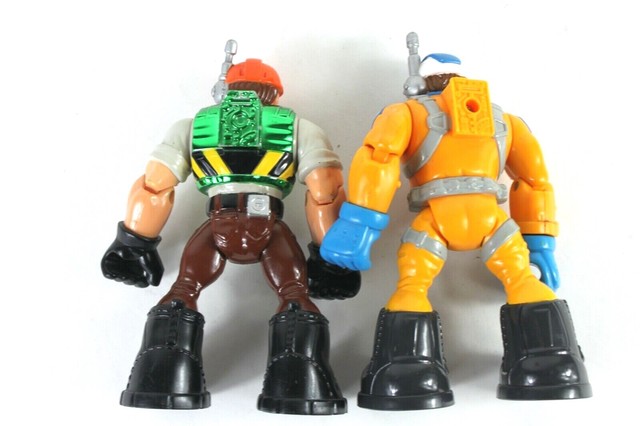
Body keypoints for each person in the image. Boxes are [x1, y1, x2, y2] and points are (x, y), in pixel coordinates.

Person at [321, 32, 592, 410]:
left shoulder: (406, 114)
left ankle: (407, 370)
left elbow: (378, 160)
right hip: (493, 221)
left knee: (413, 285)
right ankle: (553, 363)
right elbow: (534, 183)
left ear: (420, 81)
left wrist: (361, 224)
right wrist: (539, 241)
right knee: (523, 280)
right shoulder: (507, 122)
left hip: (436, 219)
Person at [101, 40, 358, 415]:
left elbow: (155, 185)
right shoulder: (297, 127)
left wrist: (133, 243)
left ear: (225, 89)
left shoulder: (193, 126)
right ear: (275, 93)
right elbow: (324, 189)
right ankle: (301, 380)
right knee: (294, 293)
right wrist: (331, 256)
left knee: (184, 289)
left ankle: (162, 374)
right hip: (268, 224)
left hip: (218, 222)